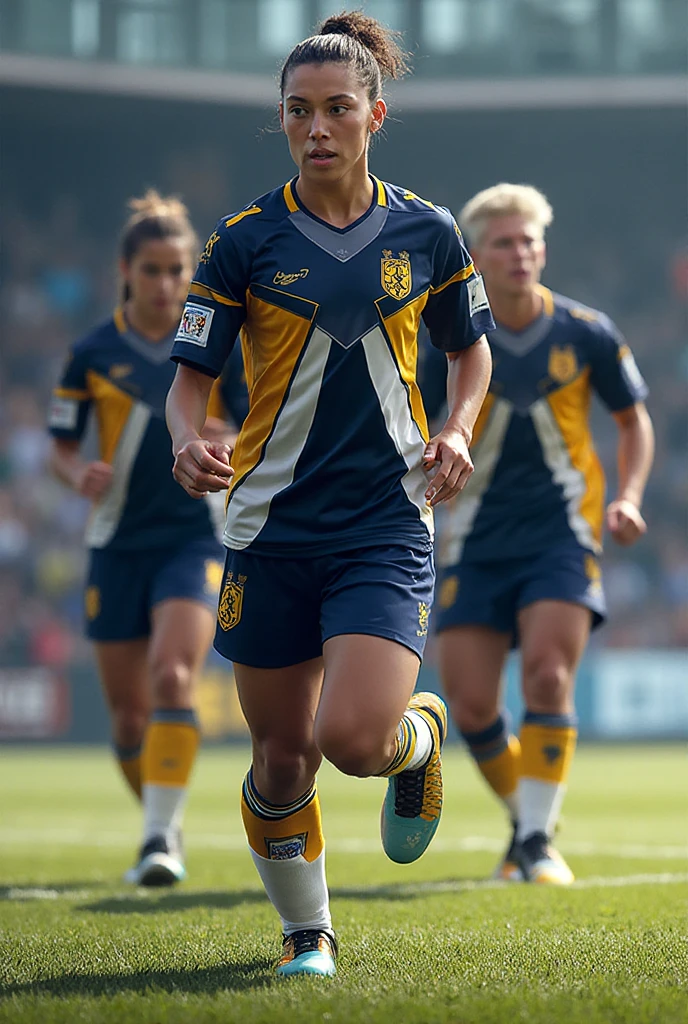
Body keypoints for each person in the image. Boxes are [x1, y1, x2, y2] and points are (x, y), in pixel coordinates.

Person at [165, 11, 493, 977]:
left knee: (350, 740)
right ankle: (309, 934)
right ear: (282, 120)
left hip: (385, 524)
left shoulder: (429, 233)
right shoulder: (242, 241)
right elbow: (189, 378)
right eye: (299, 110)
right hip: (268, 529)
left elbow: (471, 355)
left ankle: (413, 739)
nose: (317, 127)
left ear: (374, 115)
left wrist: (459, 426)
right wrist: (188, 440)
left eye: (337, 109)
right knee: (279, 761)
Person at [435, 183, 654, 885]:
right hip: (472, 537)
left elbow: (633, 420)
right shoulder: (446, 334)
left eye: (529, 241)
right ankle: (529, 818)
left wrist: (627, 495)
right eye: (504, 242)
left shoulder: (586, 331)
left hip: (563, 535)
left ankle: (533, 841)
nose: (520, 253)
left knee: (550, 676)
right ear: (476, 255)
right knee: (471, 705)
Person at [48, 192, 234, 887]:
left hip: (194, 540)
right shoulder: (91, 353)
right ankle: (164, 819)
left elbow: (251, 423)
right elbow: (60, 444)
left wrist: (229, 441)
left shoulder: (218, 346)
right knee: (127, 719)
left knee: (172, 674)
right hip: (115, 544)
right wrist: (76, 473)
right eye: (152, 270)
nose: (166, 284)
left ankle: (159, 838)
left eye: (178, 269)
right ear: (126, 270)